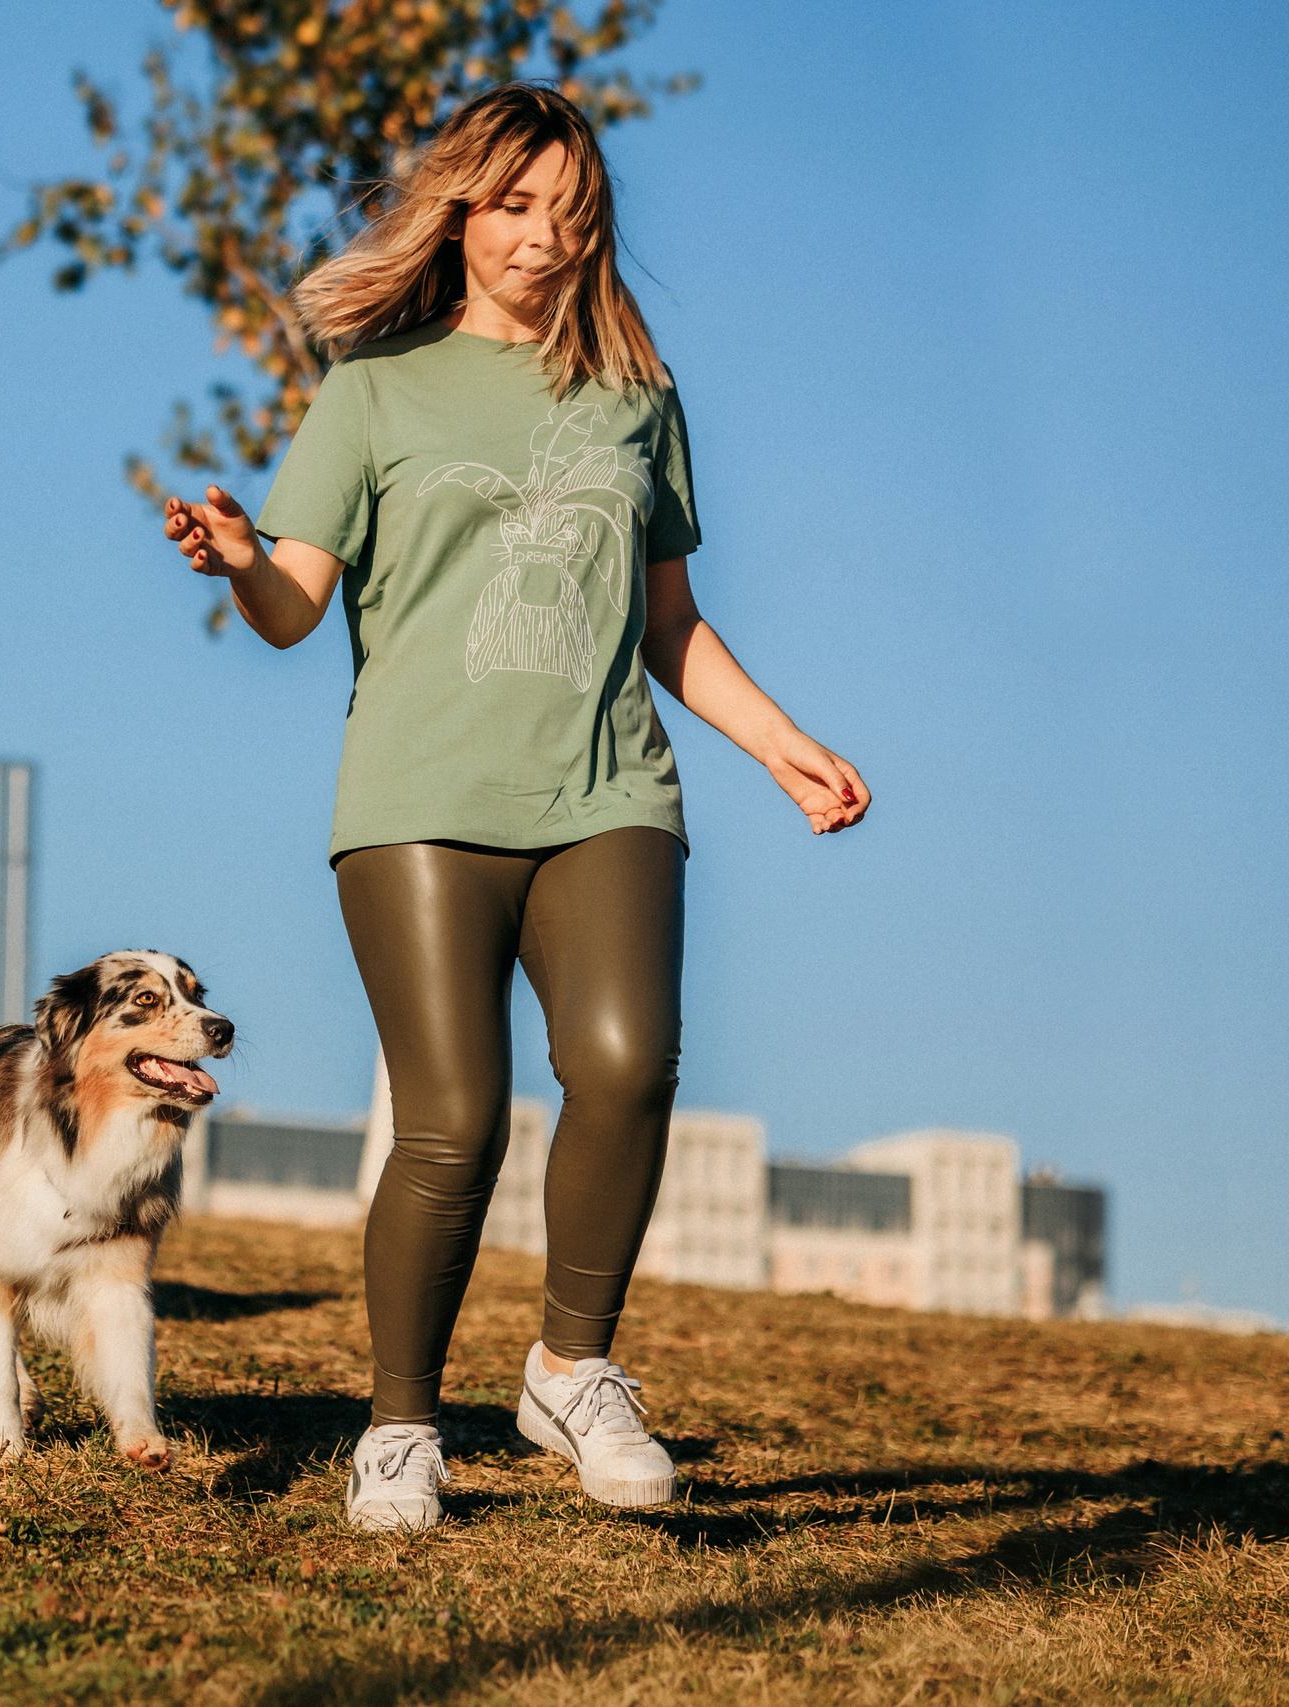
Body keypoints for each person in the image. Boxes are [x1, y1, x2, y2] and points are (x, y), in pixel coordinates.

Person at [162, 83, 869, 1531]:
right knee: (455, 1121)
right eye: (513, 206)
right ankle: (402, 1430)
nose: (541, 240)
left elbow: (668, 621)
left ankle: (569, 1368)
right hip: (418, 797)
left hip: (609, 784)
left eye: (570, 213)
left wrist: (781, 741)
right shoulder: (373, 387)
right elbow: (296, 609)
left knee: (625, 1066)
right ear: (460, 209)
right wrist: (240, 555)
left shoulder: (637, 398)